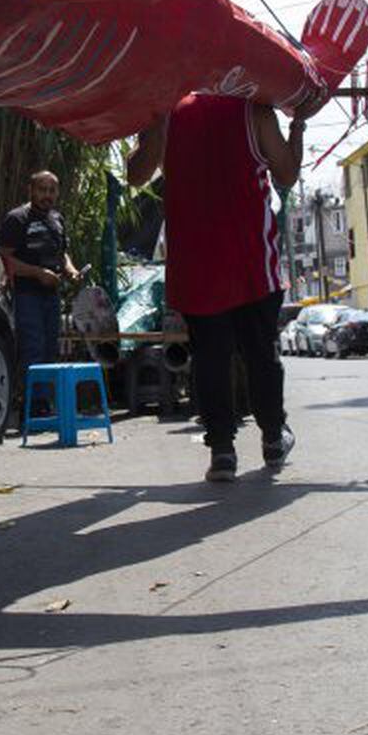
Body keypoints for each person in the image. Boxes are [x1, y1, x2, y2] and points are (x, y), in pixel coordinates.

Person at [127, 92, 304, 482]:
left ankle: (222, 450)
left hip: (197, 261)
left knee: (210, 358)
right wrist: (299, 124)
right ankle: (273, 435)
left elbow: (135, 175)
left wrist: (155, 125)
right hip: (252, 259)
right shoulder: (254, 108)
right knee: (261, 353)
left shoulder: (168, 110)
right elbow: (287, 174)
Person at [0, 170, 81, 370]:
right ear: (31, 191)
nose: (47, 195)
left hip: (52, 296)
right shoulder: (17, 218)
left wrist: (72, 271)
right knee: (33, 349)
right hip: (26, 295)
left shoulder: (57, 219)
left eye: (52, 190)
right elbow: (3, 259)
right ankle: (33, 400)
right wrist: (38, 273)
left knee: (50, 350)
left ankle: (46, 399)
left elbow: (62, 254)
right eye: (42, 190)